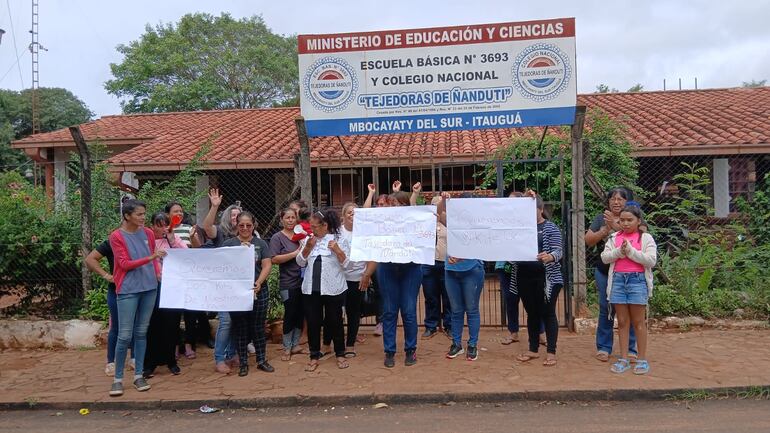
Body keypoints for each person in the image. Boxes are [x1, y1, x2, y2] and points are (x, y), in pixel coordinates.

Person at [108, 199, 166, 397]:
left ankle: (138, 375)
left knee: (142, 332)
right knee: (124, 335)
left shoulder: (148, 233)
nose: (143, 218)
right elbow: (124, 264)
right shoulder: (116, 236)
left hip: (149, 287)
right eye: (139, 214)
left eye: (143, 214)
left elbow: (153, 257)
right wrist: (152, 258)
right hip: (128, 289)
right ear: (127, 216)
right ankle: (117, 379)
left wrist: (157, 272)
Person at [367, 190, 423, 368]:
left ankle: (410, 349)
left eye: (397, 205)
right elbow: (366, 218)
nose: (393, 208)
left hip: (411, 268)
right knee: (389, 311)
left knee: (408, 310)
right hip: (388, 267)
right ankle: (389, 351)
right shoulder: (380, 223)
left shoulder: (414, 221)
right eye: (390, 204)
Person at [601, 205, 657, 375]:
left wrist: (631, 252)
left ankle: (641, 359)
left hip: (637, 281)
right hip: (618, 280)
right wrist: (619, 251)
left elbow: (651, 261)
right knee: (623, 322)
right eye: (622, 220)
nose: (625, 223)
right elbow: (605, 258)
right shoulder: (613, 237)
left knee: (639, 322)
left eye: (629, 220)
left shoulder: (645, 238)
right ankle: (624, 358)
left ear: (638, 221)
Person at [586, 187, 638, 362]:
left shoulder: (635, 217)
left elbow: (640, 236)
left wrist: (615, 226)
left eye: (620, 199)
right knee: (605, 308)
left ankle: (631, 349)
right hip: (604, 271)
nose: (616, 202)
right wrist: (604, 231)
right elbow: (588, 240)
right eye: (613, 199)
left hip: (629, 272)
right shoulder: (601, 218)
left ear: (627, 201)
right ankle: (604, 347)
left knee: (630, 309)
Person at [296, 208, 351, 372]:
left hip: (333, 288)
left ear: (325, 225)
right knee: (313, 322)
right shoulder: (309, 240)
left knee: (335, 321)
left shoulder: (338, 239)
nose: (311, 229)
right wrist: (307, 248)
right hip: (311, 289)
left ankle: (340, 353)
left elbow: (347, 264)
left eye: (314, 226)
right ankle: (314, 355)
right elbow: (300, 262)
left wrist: (337, 250)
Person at [514, 192, 564, 367]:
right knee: (532, 313)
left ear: (541, 209)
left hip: (548, 278)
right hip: (524, 276)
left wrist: (550, 256)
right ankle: (533, 349)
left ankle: (551, 352)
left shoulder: (551, 228)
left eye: (532, 209)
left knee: (548, 313)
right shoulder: (518, 229)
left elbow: (559, 251)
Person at [222, 211, 274, 376]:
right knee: (241, 328)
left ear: (254, 226)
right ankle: (243, 363)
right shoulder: (229, 244)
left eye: (248, 225)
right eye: (241, 225)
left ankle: (261, 360)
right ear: (236, 226)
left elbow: (267, 265)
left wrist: (259, 282)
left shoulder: (261, 244)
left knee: (258, 327)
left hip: (258, 290)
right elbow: (222, 267)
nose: (245, 228)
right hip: (237, 293)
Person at [496, 192, 545, 345]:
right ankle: (513, 332)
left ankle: (541, 332)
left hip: (526, 268)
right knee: (510, 300)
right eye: (509, 202)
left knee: (534, 300)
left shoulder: (530, 222)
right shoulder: (501, 220)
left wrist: (528, 196)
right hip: (506, 267)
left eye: (516, 202)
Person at [202, 189, 242, 374]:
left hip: (240, 286)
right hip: (222, 286)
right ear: (227, 217)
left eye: (238, 215)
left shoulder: (247, 234)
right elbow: (207, 226)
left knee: (236, 321)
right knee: (225, 321)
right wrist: (214, 206)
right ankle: (219, 358)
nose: (235, 218)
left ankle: (232, 353)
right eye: (232, 215)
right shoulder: (220, 233)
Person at [143, 212, 187, 377]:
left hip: (172, 288)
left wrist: (172, 239)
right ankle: (150, 364)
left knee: (171, 325)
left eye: (165, 225)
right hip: (152, 287)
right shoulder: (146, 241)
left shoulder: (174, 240)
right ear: (152, 225)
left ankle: (171, 361)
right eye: (158, 225)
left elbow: (186, 254)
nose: (162, 228)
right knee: (153, 325)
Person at [165, 201, 210, 360]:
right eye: (175, 211)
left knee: (191, 312)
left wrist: (193, 237)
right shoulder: (163, 230)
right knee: (173, 314)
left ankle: (190, 344)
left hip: (190, 277)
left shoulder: (189, 229)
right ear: (167, 215)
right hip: (171, 279)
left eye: (181, 211)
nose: (179, 214)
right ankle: (175, 346)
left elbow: (198, 250)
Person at [85, 241, 134, 376]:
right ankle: (111, 362)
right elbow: (90, 258)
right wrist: (106, 275)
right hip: (116, 290)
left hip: (137, 288)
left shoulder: (141, 239)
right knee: (116, 326)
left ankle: (134, 359)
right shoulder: (113, 241)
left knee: (136, 325)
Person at [269, 208, 305, 361]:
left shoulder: (301, 235)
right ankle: (286, 346)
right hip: (287, 282)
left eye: (293, 217)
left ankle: (296, 344)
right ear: (282, 220)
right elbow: (274, 259)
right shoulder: (277, 238)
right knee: (290, 313)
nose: (290, 220)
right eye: (287, 218)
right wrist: (294, 254)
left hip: (303, 281)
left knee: (300, 313)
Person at [421, 194, 451, 339]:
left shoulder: (447, 221)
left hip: (445, 263)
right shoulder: (427, 222)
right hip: (429, 263)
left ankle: (449, 325)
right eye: (435, 203)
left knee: (448, 296)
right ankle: (431, 326)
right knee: (431, 297)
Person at [339, 202, 367, 357]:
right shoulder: (338, 232)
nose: (352, 215)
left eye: (355, 213)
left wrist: (366, 274)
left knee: (353, 312)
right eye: (349, 212)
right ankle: (333, 342)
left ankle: (350, 343)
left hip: (357, 277)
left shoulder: (363, 233)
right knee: (336, 311)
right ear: (343, 216)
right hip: (339, 277)